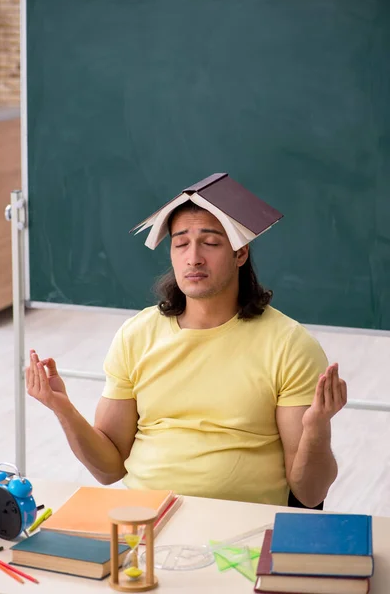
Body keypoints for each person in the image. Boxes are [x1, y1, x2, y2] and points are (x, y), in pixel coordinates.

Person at [26, 200, 347, 507]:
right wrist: (62, 408)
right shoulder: (135, 335)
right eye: (180, 244)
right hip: (144, 515)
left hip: (241, 525)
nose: (193, 258)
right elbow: (109, 470)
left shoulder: (289, 344)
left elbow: (309, 493)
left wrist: (317, 426)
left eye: (210, 243)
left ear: (240, 253)